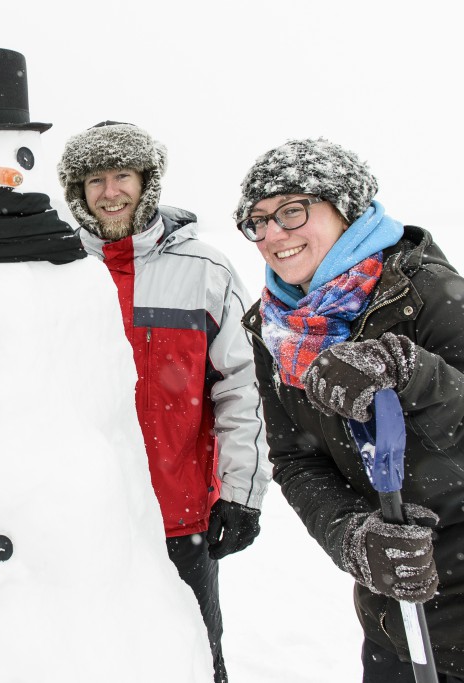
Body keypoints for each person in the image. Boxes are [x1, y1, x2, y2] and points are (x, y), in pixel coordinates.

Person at [237, 138, 464, 682]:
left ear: (348, 209)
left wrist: (413, 373)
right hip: (395, 616)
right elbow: (296, 460)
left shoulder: (426, 292)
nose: (273, 235)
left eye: (292, 211)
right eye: (258, 220)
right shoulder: (274, 330)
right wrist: (353, 537)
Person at [58, 121, 270, 683]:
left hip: (179, 517)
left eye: (122, 176)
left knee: (192, 661)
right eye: (94, 180)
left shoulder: (205, 270)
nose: (109, 193)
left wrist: (243, 493)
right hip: (75, 516)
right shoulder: (57, 272)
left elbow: (242, 388)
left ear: (147, 181)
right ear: (76, 190)